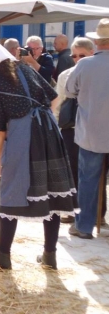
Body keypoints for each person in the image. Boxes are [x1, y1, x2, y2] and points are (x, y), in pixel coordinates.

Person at [0, 38, 75, 270]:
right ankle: (50, 255)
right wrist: (42, 118)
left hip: (24, 136)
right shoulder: (24, 67)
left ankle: (3, 255)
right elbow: (54, 97)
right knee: (52, 192)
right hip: (48, 131)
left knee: (12, 191)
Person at [54, 37, 106, 225]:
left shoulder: (88, 66)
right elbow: (60, 99)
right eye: (73, 55)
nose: (76, 58)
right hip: (75, 129)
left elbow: (70, 92)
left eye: (80, 55)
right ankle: (82, 215)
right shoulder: (71, 71)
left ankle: (91, 220)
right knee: (78, 174)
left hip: (91, 130)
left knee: (91, 177)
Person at [65, 18, 109, 239]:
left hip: (91, 132)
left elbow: (69, 90)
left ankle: (83, 226)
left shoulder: (84, 64)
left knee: (88, 180)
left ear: (98, 42)